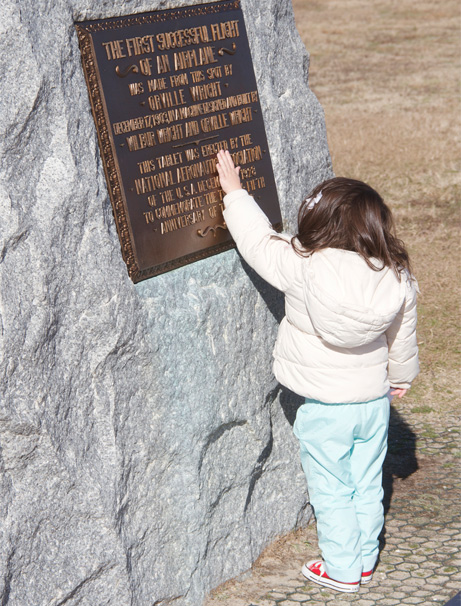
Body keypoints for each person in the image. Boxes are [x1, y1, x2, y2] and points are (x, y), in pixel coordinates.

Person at [216, 149, 419, 593]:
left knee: (331, 489)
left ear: (320, 223)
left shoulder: (304, 265)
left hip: (326, 408)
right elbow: (402, 335)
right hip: (372, 401)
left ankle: (343, 569)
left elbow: (259, 243)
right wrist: (400, 376)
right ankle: (365, 558)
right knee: (367, 482)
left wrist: (235, 195)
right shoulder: (395, 274)